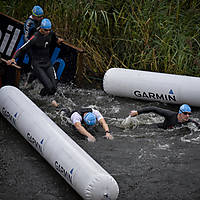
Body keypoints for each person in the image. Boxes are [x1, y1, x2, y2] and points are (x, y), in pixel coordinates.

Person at [7, 18, 64, 96]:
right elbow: (22, 49)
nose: (48, 32)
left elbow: (54, 39)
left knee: (54, 87)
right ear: (41, 28)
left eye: (49, 30)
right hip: (38, 65)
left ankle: (43, 96)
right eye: (45, 30)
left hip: (47, 63)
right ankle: (42, 99)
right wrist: (13, 58)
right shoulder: (35, 38)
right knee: (49, 87)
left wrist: (58, 41)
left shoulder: (51, 33)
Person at [129, 104, 200, 129]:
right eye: (185, 113)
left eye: (189, 114)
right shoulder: (170, 114)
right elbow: (153, 108)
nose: (187, 116)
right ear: (180, 113)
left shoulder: (190, 122)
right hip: (159, 129)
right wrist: (137, 112)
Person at [23, 5, 44, 86]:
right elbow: (26, 37)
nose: (41, 18)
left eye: (42, 16)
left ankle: (30, 80)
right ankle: (27, 83)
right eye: (39, 17)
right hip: (29, 46)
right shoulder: (29, 23)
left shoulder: (36, 21)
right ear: (34, 16)